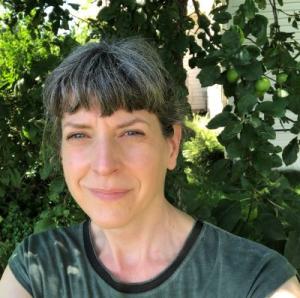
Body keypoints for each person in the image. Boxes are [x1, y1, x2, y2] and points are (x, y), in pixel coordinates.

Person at [0, 38, 299, 298]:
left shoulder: (255, 280)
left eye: (131, 132)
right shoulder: (36, 268)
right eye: (79, 134)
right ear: (61, 151)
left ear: (171, 145)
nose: (104, 165)